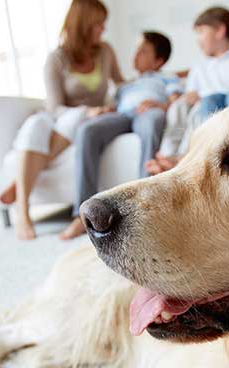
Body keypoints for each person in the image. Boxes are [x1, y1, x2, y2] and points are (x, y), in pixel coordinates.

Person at [0, 0, 124, 240]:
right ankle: (23, 213)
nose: (102, 29)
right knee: (35, 125)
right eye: (98, 24)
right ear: (83, 24)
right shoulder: (57, 58)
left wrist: (153, 82)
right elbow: (54, 107)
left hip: (84, 121)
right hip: (62, 116)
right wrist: (87, 111)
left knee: (77, 120)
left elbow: (121, 83)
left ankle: (20, 182)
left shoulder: (105, 51)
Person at [59, 31, 178, 240]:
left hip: (148, 111)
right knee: (88, 130)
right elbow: (113, 104)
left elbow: (177, 99)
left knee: (153, 122)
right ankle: (81, 214)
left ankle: (144, 208)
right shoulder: (126, 86)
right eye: (137, 49)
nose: (136, 54)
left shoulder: (168, 78)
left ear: (158, 60)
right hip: (122, 115)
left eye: (143, 51)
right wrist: (106, 110)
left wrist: (160, 104)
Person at [145, 6, 229, 175]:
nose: (198, 39)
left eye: (201, 32)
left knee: (197, 111)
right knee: (179, 107)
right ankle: (167, 155)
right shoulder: (199, 64)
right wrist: (187, 97)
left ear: (220, 31)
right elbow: (192, 91)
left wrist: (200, 98)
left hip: (216, 106)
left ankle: (185, 157)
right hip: (198, 103)